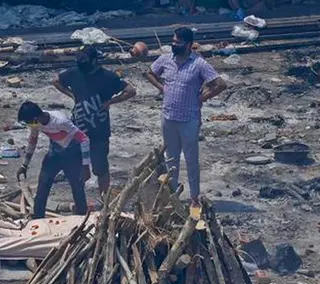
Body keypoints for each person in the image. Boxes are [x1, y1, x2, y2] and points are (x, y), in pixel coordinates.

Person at [147, 27, 227, 214]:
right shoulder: (166, 59)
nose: (174, 45)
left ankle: (194, 199)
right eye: (173, 42)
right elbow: (150, 72)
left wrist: (201, 98)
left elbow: (220, 84)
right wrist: (162, 87)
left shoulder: (199, 64)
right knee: (171, 159)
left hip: (189, 119)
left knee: (191, 160)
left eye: (178, 43)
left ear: (189, 45)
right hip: (168, 117)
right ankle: (173, 198)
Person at [53, 46, 136, 200]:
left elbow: (130, 91)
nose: (81, 64)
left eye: (84, 60)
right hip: (78, 129)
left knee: (100, 168)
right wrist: (71, 95)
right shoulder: (74, 73)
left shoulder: (108, 77)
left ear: (93, 60)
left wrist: (111, 102)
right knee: (77, 165)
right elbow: (56, 81)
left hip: (99, 131)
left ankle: (104, 201)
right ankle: (80, 202)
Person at [16, 101, 91, 219]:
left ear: (35, 118)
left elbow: (84, 139)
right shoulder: (35, 123)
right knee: (43, 185)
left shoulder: (60, 121)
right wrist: (24, 165)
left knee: (77, 187)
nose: (29, 125)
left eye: (28, 122)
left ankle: (81, 219)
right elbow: (32, 140)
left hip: (73, 155)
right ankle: (38, 219)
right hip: (55, 154)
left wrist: (85, 166)